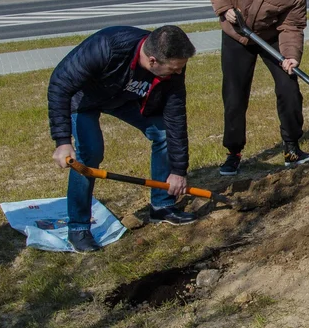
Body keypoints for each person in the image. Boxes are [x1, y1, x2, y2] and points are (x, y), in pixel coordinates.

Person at [48, 25, 198, 252]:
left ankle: (162, 205)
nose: (178, 73)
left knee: (163, 133)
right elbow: (60, 83)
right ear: (153, 60)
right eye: (174, 69)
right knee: (89, 154)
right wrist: (62, 141)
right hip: (85, 100)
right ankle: (78, 229)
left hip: (123, 98)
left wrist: (178, 170)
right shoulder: (106, 47)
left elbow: (175, 114)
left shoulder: (173, 65)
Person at [204, 0, 309, 175]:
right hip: (237, 35)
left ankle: (291, 148)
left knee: (289, 87)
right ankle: (233, 153)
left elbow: (293, 24)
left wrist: (290, 56)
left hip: (271, 37)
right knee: (234, 96)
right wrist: (225, 8)